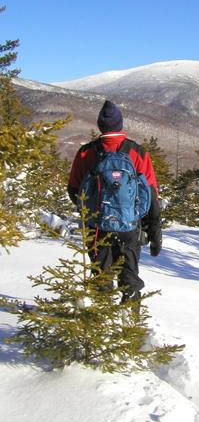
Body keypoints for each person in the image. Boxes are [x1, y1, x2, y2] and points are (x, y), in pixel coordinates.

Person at [67, 100, 162, 303]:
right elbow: (151, 194)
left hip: (96, 227)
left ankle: (102, 324)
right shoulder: (137, 152)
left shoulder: (86, 152)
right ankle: (131, 323)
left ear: (100, 126)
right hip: (129, 227)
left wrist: (90, 213)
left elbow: (74, 189)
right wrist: (154, 231)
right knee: (129, 276)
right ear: (120, 124)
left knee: (101, 277)